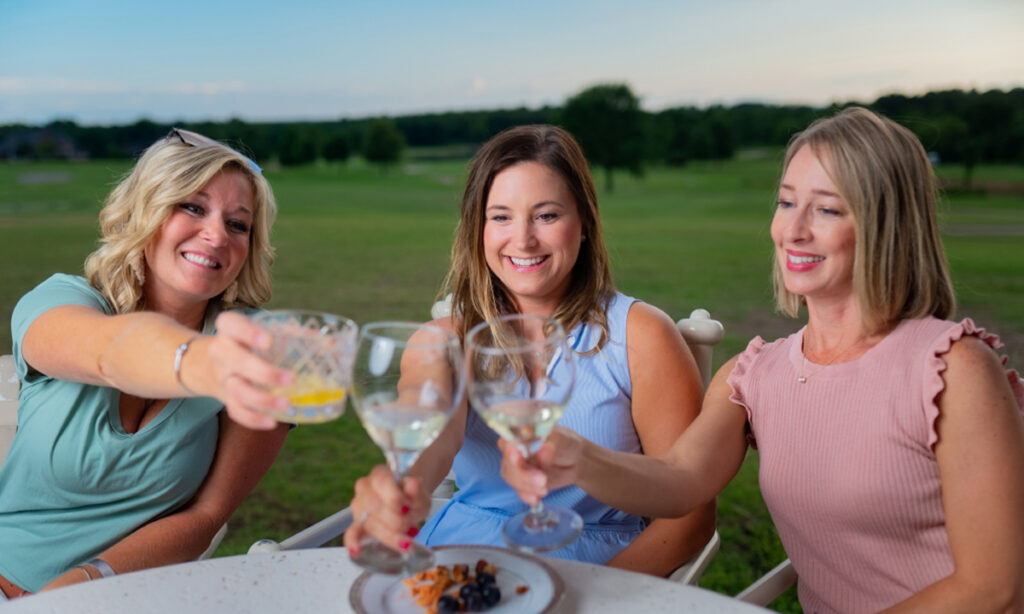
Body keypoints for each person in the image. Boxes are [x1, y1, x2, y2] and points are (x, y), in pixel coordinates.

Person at [500, 107, 1024, 613]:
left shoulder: (953, 370)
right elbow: (680, 480)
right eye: (785, 202)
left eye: (827, 208)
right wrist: (577, 456)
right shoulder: (754, 376)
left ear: (886, 224)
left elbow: (993, 589)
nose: (793, 231)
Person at [344, 125, 713, 576]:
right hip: (460, 558)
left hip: (599, 566)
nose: (523, 240)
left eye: (547, 215)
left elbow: (692, 517)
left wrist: (599, 601)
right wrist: (402, 488)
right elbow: (432, 431)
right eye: (500, 217)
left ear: (585, 224)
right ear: (476, 230)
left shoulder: (640, 335)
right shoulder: (445, 339)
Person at [0, 128, 295, 599]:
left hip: (123, 597)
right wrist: (200, 363)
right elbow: (107, 352)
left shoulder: (259, 348)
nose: (217, 234)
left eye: (238, 224)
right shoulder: (60, 300)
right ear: (145, 211)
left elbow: (205, 516)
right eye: (192, 207)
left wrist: (72, 593)